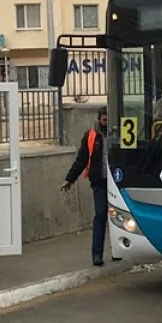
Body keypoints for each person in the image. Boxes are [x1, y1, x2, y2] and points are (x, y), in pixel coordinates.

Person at [60, 106, 109, 266]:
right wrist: (70, 179)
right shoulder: (91, 136)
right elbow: (81, 159)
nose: (107, 123)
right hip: (100, 183)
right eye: (104, 120)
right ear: (99, 119)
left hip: (118, 182)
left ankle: (119, 250)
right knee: (100, 215)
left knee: (119, 218)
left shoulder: (121, 133)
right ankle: (97, 254)